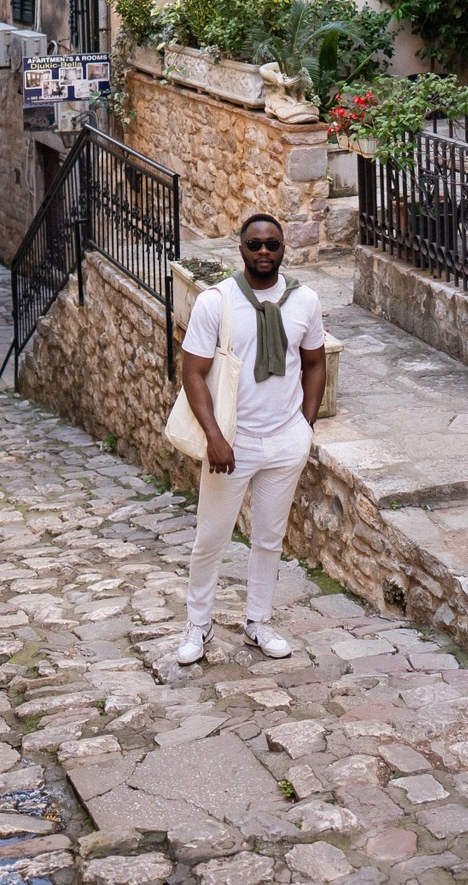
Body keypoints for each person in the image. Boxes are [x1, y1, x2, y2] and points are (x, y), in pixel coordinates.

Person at [175, 213, 328, 664]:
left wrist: (305, 425)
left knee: (269, 537)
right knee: (211, 537)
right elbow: (193, 372)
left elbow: (315, 363)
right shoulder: (216, 302)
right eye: (255, 245)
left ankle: (257, 622)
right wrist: (216, 436)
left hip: (285, 442)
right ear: (240, 249)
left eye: (272, 245)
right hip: (232, 445)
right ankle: (197, 626)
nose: (264, 252)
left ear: (284, 249)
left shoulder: (305, 301)